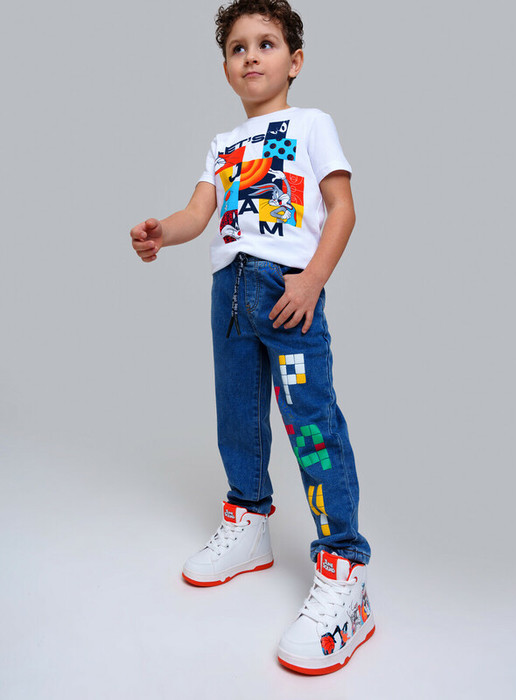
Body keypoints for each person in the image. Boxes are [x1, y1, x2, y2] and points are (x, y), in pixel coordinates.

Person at [130, 0, 375, 676]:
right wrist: (163, 233)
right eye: (237, 48)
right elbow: (198, 212)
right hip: (230, 294)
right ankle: (248, 522)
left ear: (294, 62)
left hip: (287, 293)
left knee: (311, 426)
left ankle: (345, 567)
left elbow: (342, 207)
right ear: (226, 69)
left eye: (265, 44)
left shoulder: (311, 123)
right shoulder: (222, 144)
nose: (251, 56)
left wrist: (311, 280)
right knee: (237, 416)